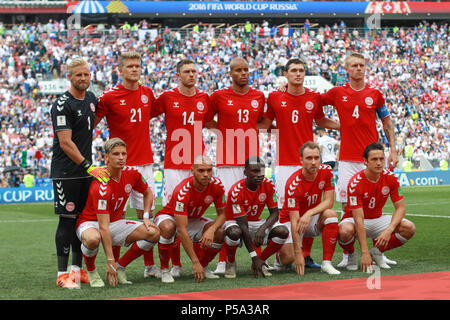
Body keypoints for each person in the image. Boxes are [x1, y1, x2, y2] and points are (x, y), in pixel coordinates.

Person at [258, 58, 339, 269]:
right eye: (293, 70)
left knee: (311, 206)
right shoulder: (275, 97)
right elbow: (265, 124)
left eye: (301, 70)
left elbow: (321, 121)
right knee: (286, 209)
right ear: (286, 74)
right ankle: (278, 248)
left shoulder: (314, 97)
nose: (298, 74)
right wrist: (279, 131)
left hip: (308, 161)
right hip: (285, 163)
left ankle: (306, 253)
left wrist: (344, 126)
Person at [321, 52, 398, 267]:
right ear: (346, 69)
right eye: (354, 65)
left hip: (372, 159)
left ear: (366, 68)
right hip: (346, 160)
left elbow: (387, 122)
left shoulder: (375, 94)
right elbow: (314, 103)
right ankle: (350, 254)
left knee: (376, 207)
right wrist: (337, 125)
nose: (358, 68)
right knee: (348, 207)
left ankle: (377, 252)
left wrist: (393, 149)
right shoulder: (337, 92)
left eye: (361, 65)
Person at [95, 51, 159, 279]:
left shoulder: (147, 93)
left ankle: (149, 267)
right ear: (120, 70)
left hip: (144, 163)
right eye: (130, 66)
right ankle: (113, 266)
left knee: (147, 216)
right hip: (119, 167)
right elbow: (90, 123)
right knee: (116, 218)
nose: (135, 69)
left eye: (138, 65)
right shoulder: (109, 96)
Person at [50, 58, 110, 289]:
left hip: (86, 172)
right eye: (79, 75)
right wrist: (88, 165)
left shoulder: (92, 99)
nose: (83, 79)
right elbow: (65, 143)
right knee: (66, 221)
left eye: (86, 75)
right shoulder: (61, 104)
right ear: (70, 77)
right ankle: (62, 274)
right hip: (67, 172)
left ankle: (77, 271)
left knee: (81, 222)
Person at [204, 57, 266, 275]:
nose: (244, 73)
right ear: (231, 73)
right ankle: (225, 260)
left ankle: (256, 259)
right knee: (228, 211)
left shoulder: (259, 96)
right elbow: (207, 120)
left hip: (252, 162)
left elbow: (263, 122)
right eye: (239, 70)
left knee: (254, 210)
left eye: (246, 69)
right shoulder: (219, 96)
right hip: (228, 161)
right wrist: (225, 132)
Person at [151, 59, 211, 279]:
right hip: (174, 166)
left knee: (195, 214)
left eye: (194, 71)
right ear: (178, 75)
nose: (191, 75)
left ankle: (202, 262)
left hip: (198, 167)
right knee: (173, 217)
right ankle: (175, 264)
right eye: (187, 71)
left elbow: (213, 120)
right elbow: (145, 112)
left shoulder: (205, 99)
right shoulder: (167, 98)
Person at [75, 138, 160, 287]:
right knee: (94, 239)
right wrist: (109, 260)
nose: (121, 158)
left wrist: (146, 217)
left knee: (153, 232)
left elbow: (148, 193)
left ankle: (121, 267)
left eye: (123, 154)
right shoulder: (102, 184)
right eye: (116, 154)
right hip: (90, 223)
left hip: (113, 222)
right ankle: (91, 270)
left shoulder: (132, 173)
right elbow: (103, 227)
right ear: (106, 157)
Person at [338, 143, 415, 272]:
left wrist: (388, 230)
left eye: (381, 159)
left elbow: (401, 208)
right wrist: (364, 252)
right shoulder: (355, 183)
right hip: (355, 220)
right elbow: (358, 219)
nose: (379, 163)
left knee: (409, 228)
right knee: (344, 231)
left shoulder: (391, 178)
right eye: (374, 159)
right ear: (365, 162)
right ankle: (351, 253)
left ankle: (377, 252)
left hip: (377, 219)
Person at [153, 155, 226, 283]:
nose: (206, 174)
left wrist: (211, 229)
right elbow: (181, 229)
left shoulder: (217, 185)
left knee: (219, 232)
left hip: (192, 218)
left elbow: (222, 214)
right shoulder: (183, 191)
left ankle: (203, 267)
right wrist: (194, 261)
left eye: (209, 170)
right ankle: (164, 269)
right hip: (169, 216)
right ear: (192, 171)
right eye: (201, 170)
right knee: (168, 227)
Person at [276, 142, 341, 275]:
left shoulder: (327, 171)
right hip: (291, 221)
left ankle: (326, 263)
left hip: (310, 218)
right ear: (301, 160)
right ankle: (279, 257)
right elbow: (294, 221)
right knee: (288, 258)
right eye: (309, 158)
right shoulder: (293, 184)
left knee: (331, 214)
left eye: (316, 158)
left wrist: (309, 213)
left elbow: (329, 201)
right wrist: (298, 255)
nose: (313, 162)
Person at [222, 156, 288, 279]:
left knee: (282, 231)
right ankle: (230, 262)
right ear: (245, 172)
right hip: (236, 222)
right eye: (255, 171)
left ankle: (261, 261)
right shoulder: (236, 191)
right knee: (234, 232)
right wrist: (254, 256)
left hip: (256, 221)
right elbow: (243, 225)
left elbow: (275, 213)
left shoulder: (268, 184)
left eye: (261, 171)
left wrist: (263, 229)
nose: (259, 175)